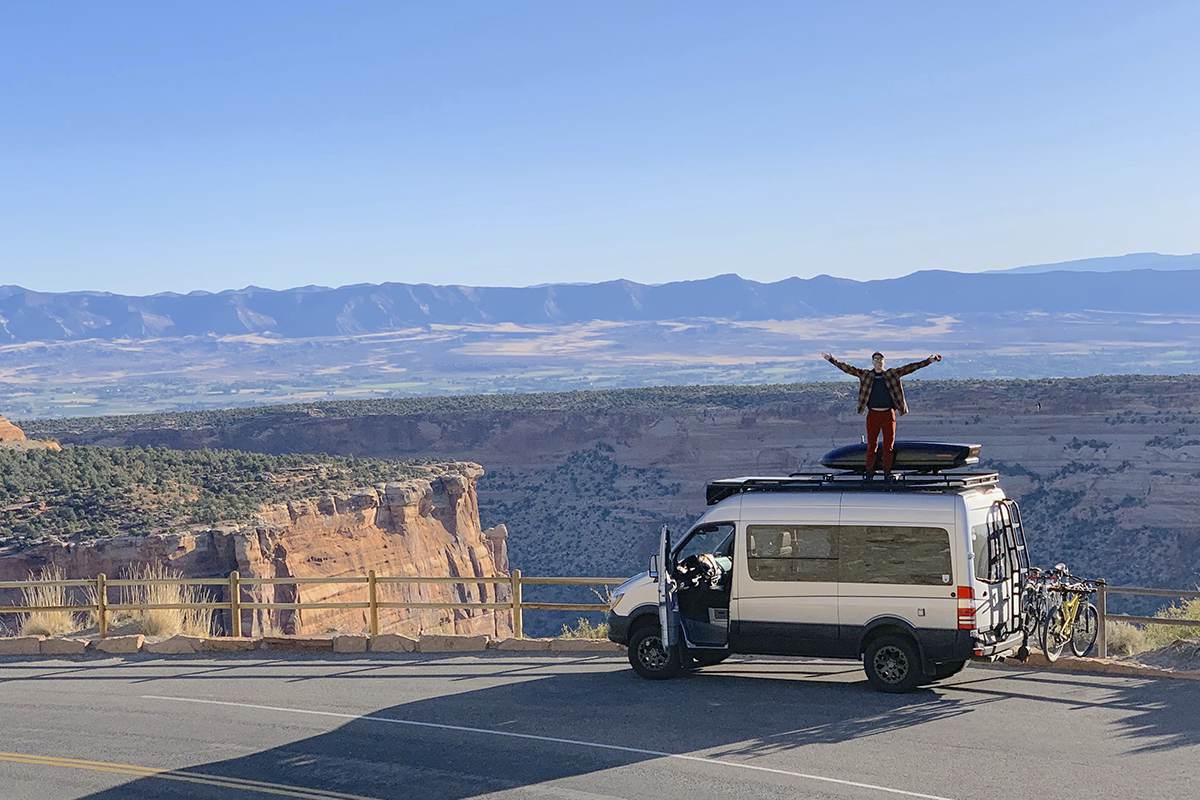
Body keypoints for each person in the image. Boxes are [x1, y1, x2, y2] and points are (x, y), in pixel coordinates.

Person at [820, 351, 943, 478]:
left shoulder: (892, 374)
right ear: (872, 362)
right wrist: (831, 359)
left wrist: (929, 361)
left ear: (884, 362)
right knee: (871, 445)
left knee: (888, 445)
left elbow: (911, 368)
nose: (878, 363)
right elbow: (847, 368)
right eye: (876, 360)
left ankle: (887, 472)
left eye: (880, 360)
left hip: (888, 414)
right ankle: (869, 472)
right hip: (873, 414)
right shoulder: (866, 375)